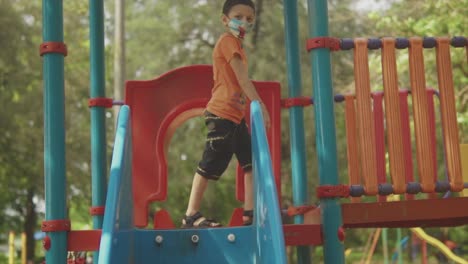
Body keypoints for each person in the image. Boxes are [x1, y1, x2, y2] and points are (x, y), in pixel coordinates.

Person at [182, 0, 270, 228]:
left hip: (236, 117)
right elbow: (242, 79)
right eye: (238, 16)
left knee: (250, 164)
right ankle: (191, 214)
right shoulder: (228, 41)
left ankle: (249, 215)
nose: (244, 22)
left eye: (249, 19)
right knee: (210, 163)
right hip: (221, 114)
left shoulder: (238, 47)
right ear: (225, 20)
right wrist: (260, 105)